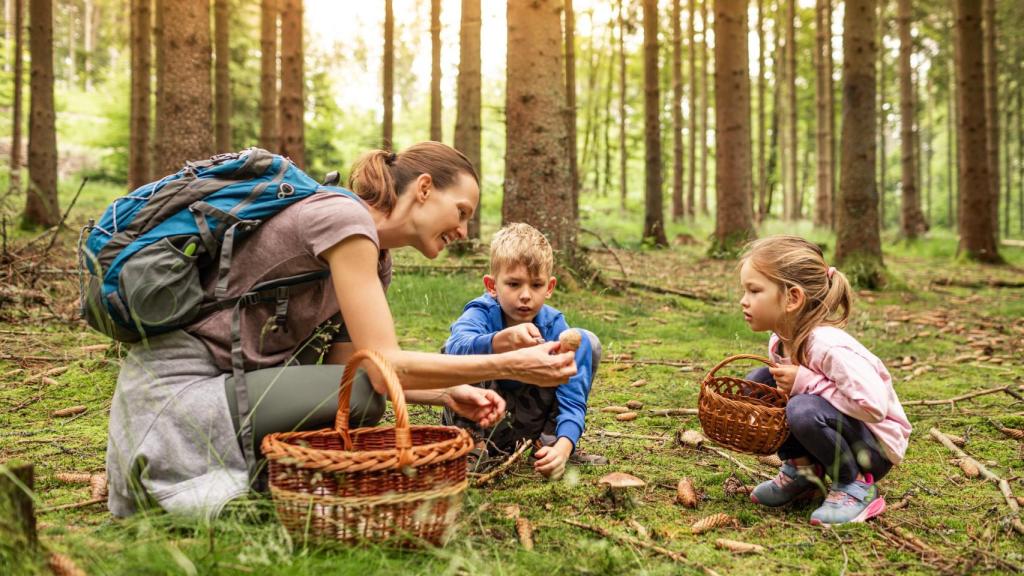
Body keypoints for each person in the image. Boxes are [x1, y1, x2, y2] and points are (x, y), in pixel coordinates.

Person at [105, 142, 577, 518]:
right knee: (368, 399)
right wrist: (510, 363)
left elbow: (347, 362)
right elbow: (382, 367)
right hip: (173, 402)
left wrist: (449, 393)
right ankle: (246, 481)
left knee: (362, 390)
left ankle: (266, 480)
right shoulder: (345, 219)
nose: (463, 229)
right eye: (462, 211)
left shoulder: (377, 258)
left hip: (222, 391)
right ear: (426, 188)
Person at [738, 236, 910, 526]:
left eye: (754, 290)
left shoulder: (829, 346)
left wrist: (805, 381)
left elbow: (872, 408)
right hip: (836, 429)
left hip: (873, 449)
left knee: (802, 408)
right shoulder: (780, 341)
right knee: (759, 382)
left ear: (792, 298)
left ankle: (857, 485)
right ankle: (803, 472)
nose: (744, 300)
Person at [442, 223, 603, 480]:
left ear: (549, 287)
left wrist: (565, 444)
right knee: (460, 349)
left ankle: (548, 447)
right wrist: (500, 341)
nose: (525, 295)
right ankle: (472, 447)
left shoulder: (553, 325)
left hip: (527, 425)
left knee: (586, 341)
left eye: (536, 285)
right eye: (514, 284)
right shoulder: (481, 313)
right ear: (492, 286)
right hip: (482, 418)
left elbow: (572, 396)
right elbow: (454, 348)